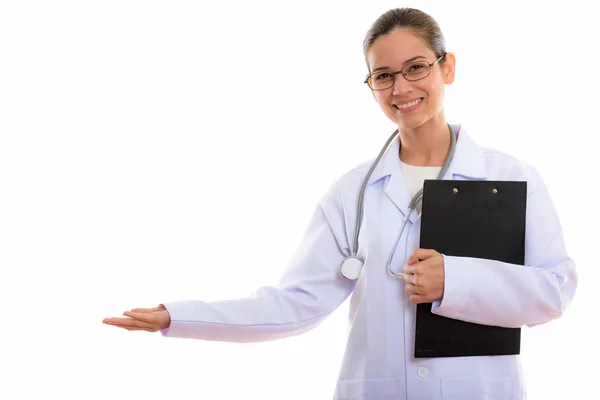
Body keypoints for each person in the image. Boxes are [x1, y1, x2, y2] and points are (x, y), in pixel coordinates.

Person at [103, 7, 577, 399]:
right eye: (383, 76)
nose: (401, 88)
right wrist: (178, 316)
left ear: (446, 67)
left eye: (416, 67)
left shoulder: (510, 176)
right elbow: (296, 306)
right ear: (370, 85)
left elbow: (556, 290)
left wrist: (454, 279)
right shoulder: (352, 192)